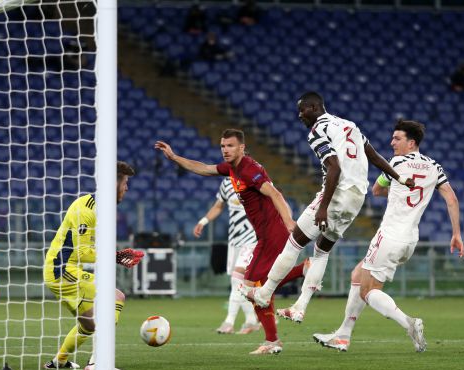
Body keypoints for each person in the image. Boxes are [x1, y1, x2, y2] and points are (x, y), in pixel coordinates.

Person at [240, 91, 412, 323]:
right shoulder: (350, 125)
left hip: (337, 194)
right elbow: (376, 157)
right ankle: (300, 306)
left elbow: (334, 167)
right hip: (357, 198)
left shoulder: (317, 130)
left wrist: (323, 207)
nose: (299, 115)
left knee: (293, 242)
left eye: (302, 110)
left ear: (314, 107)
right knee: (321, 251)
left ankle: (264, 293)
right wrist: (399, 178)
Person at [313, 119, 464, 352]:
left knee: (368, 291)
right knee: (358, 274)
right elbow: (451, 199)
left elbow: (376, 190)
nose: (391, 142)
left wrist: (393, 189)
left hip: (389, 236)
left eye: (397, 138)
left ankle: (409, 323)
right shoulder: (434, 166)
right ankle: (343, 335)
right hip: (410, 239)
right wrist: (456, 233)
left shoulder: (397, 163)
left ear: (411, 143)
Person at [155, 129, 307, 355]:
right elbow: (205, 169)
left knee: (250, 287)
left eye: (230, 146)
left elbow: (275, 194)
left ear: (241, 148)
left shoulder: (249, 169)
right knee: (261, 288)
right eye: (223, 146)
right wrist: (175, 157)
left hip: (272, 234)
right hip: (264, 235)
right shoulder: (231, 168)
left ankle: (300, 275)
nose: (225, 150)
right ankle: (273, 339)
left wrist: (289, 222)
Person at [43, 161, 144, 370]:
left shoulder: (101, 208)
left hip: (68, 270)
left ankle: (59, 361)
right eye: (125, 182)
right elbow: (82, 252)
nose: (127, 188)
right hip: (62, 270)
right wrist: (115, 256)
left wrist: (114, 256)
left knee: (89, 325)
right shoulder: (87, 209)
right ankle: (98, 362)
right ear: (114, 182)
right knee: (116, 297)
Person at [194, 177, 261, 335]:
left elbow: (274, 199)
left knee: (236, 279)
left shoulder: (255, 178)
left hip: (252, 239)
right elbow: (218, 206)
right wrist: (203, 221)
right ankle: (251, 320)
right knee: (239, 284)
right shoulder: (226, 183)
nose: (226, 151)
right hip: (234, 240)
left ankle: (229, 322)